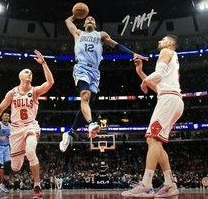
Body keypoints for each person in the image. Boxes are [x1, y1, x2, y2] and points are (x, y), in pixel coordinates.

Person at [59, 15, 148, 152]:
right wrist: (76, 15)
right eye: (87, 19)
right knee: (85, 96)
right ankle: (91, 124)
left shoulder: (101, 35)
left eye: (92, 19)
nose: (89, 20)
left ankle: (70, 133)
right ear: (83, 24)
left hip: (95, 71)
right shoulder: (78, 33)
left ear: (95, 25)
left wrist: (132, 54)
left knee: (87, 105)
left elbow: (116, 45)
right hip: (81, 67)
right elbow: (67, 21)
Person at [0, 49, 54, 198]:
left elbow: (50, 82)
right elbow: (1, 108)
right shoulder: (12, 93)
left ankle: (37, 186)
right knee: (15, 167)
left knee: (31, 151)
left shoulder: (35, 91)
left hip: (31, 126)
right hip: (15, 131)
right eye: (27, 72)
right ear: (20, 76)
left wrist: (44, 63)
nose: (30, 74)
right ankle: (23, 155)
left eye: (31, 73)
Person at [121, 35, 184, 198]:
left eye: (163, 39)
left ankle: (146, 185)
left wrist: (145, 81)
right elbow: (157, 87)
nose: (159, 42)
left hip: (168, 100)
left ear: (170, 43)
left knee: (151, 139)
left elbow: (158, 74)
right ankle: (170, 184)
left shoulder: (166, 51)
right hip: (173, 100)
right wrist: (141, 73)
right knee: (157, 142)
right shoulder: (173, 59)